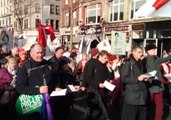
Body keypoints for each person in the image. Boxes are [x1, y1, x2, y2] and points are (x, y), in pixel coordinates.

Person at [16, 43, 55, 120]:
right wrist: (38, 90)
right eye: (37, 53)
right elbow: (20, 87)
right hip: (34, 106)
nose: (40, 55)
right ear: (31, 53)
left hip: (50, 103)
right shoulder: (25, 67)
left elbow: (55, 78)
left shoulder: (49, 64)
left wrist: (57, 86)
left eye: (42, 52)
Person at [121, 46, 149, 120]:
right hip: (132, 96)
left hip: (142, 95)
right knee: (131, 117)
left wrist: (144, 78)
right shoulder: (128, 63)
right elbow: (124, 78)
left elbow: (140, 75)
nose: (141, 54)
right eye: (139, 52)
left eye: (141, 52)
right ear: (133, 53)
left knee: (142, 116)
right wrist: (137, 79)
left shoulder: (141, 62)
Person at [145, 43, 171, 120]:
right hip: (153, 85)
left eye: (155, 50)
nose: (154, 51)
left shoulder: (155, 58)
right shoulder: (148, 59)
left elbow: (164, 59)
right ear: (148, 51)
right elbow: (150, 72)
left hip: (156, 85)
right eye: (153, 50)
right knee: (155, 106)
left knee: (158, 106)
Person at [86, 50, 110, 120]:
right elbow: (88, 78)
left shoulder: (105, 65)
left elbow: (111, 77)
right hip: (95, 91)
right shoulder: (93, 64)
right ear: (100, 56)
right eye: (105, 58)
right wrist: (98, 84)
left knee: (103, 112)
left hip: (104, 91)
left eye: (107, 58)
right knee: (96, 112)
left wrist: (109, 68)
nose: (106, 60)